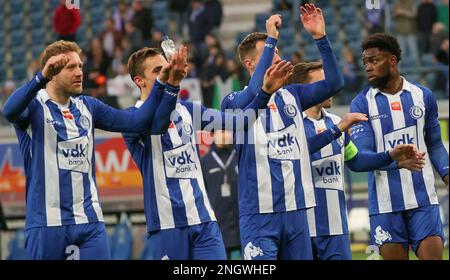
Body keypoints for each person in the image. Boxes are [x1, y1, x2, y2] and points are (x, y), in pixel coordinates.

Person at [1, 40, 180, 260]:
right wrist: (40, 78)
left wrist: (165, 84)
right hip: (47, 223)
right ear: (53, 72)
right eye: (71, 67)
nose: (79, 72)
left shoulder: (88, 106)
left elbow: (136, 121)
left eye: (80, 66)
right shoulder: (34, 106)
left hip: (90, 224)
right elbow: (9, 111)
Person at [122, 44, 293, 260]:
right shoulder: (131, 119)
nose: (165, 73)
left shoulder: (189, 110)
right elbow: (157, 122)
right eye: (158, 71)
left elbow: (241, 122)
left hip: (204, 221)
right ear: (140, 81)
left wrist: (265, 93)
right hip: (168, 225)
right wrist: (172, 85)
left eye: (167, 67)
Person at [220, 5, 361, 260]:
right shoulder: (233, 101)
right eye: (270, 53)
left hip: (297, 213)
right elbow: (253, 95)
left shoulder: (293, 96)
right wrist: (272, 38)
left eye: (278, 51)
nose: (278, 57)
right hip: (259, 215)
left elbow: (334, 84)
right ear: (251, 64)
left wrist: (321, 38)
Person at [289, 62, 424, 260]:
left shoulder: (335, 121)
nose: (332, 87)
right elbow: (301, 150)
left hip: (336, 227)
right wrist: (337, 130)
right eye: (324, 83)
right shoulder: (291, 124)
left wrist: (391, 157)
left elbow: (356, 161)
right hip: (301, 227)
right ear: (307, 90)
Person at [350, 33, 449, 260]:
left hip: (424, 200)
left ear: (392, 61)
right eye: (365, 62)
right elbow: (362, 155)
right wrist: (392, 158)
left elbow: (434, 144)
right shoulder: (362, 102)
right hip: (385, 206)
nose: (368, 67)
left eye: (374, 60)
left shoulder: (423, 96)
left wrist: (446, 175)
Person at [201, 130, 241, 259]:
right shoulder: (204, 162)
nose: (225, 135)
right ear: (213, 135)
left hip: (242, 224)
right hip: (217, 227)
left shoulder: (241, 157)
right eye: (221, 131)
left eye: (228, 131)